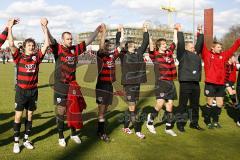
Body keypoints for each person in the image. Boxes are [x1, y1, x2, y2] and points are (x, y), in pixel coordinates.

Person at [46, 21, 103, 147]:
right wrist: (45, 27)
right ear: (63, 40)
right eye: (68, 39)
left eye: (71, 38)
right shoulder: (58, 49)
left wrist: (97, 30)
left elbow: (87, 41)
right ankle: (61, 136)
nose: (70, 40)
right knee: (61, 111)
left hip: (72, 85)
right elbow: (50, 39)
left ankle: (73, 134)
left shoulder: (75, 49)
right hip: (60, 85)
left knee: (74, 111)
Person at [8, 18, 50, 153]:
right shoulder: (18, 57)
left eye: (33, 46)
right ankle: (16, 142)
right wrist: (9, 28)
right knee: (18, 116)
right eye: (29, 46)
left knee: (30, 116)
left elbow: (47, 44)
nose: (32, 47)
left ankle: (26, 139)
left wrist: (44, 28)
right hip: (21, 91)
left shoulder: (36, 58)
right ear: (24, 47)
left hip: (33, 92)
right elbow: (11, 43)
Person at [202, 32, 240, 129]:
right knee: (210, 103)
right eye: (218, 47)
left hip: (221, 84)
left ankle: (215, 121)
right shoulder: (207, 54)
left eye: (221, 47)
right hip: (210, 83)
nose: (220, 49)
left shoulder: (224, 56)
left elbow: (233, 48)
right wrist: (199, 33)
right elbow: (201, 45)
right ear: (213, 48)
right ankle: (207, 120)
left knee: (219, 104)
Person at [146, 25, 178, 136]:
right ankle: (150, 121)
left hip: (170, 82)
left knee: (170, 105)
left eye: (166, 44)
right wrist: (148, 32)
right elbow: (150, 46)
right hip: (161, 82)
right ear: (159, 46)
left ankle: (168, 127)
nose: (166, 45)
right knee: (160, 104)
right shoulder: (155, 54)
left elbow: (175, 43)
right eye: (163, 44)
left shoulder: (169, 52)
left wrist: (175, 30)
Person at [120, 23, 149, 139]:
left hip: (137, 83)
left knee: (133, 107)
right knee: (132, 108)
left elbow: (145, 42)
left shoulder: (139, 54)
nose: (134, 46)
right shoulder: (123, 55)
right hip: (128, 84)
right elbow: (120, 44)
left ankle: (125, 127)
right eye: (131, 45)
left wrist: (145, 30)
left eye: (134, 45)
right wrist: (121, 32)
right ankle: (137, 131)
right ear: (127, 48)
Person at [95, 24, 124, 142]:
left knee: (105, 108)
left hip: (109, 86)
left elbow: (120, 46)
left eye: (109, 45)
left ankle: (99, 128)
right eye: (106, 45)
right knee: (102, 109)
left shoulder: (112, 55)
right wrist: (104, 33)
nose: (107, 47)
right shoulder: (101, 55)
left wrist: (121, 32)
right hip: (101, 85)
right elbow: (101, 46)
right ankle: (102, 132)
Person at [174, 24, 204, 132]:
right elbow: (181, 43)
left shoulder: (196, 55)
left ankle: (194, 123)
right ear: (186, 48)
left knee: (195, 105)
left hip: (195, 83)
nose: (193, 48)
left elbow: (200, 44)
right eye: (191, 47)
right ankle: (180, 124)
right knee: (182, 105)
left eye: (193, 47)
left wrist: (200, 31)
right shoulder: (182, 54)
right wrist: (179, 31)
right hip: (185, 83)